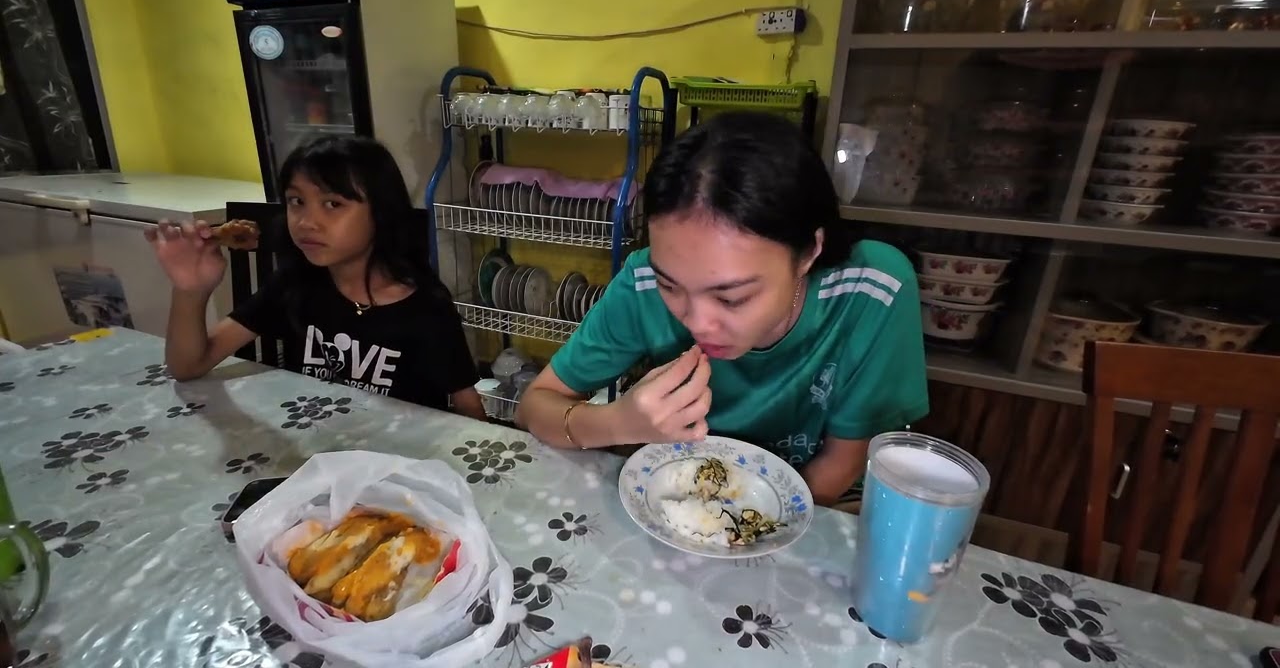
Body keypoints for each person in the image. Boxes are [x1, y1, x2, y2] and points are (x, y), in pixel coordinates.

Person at [514, 111, 928, 505]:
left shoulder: (873, 290)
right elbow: (536, 405)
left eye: (732, 298)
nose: (698, 323)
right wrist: (618, 422)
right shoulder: (641, 285)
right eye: (670, 285)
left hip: (814, 506)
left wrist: (737, 525)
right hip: (680, 498)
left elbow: (841, 463)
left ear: (808, 253)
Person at [146, 135, 486, 420]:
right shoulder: (297, 284)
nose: (307, 221)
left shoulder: (425, 307)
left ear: (381, 212)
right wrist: (191, 290)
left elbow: (468, 409)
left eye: (333, 204)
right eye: (297, 201)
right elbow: (188, 366)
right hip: (314, 456)